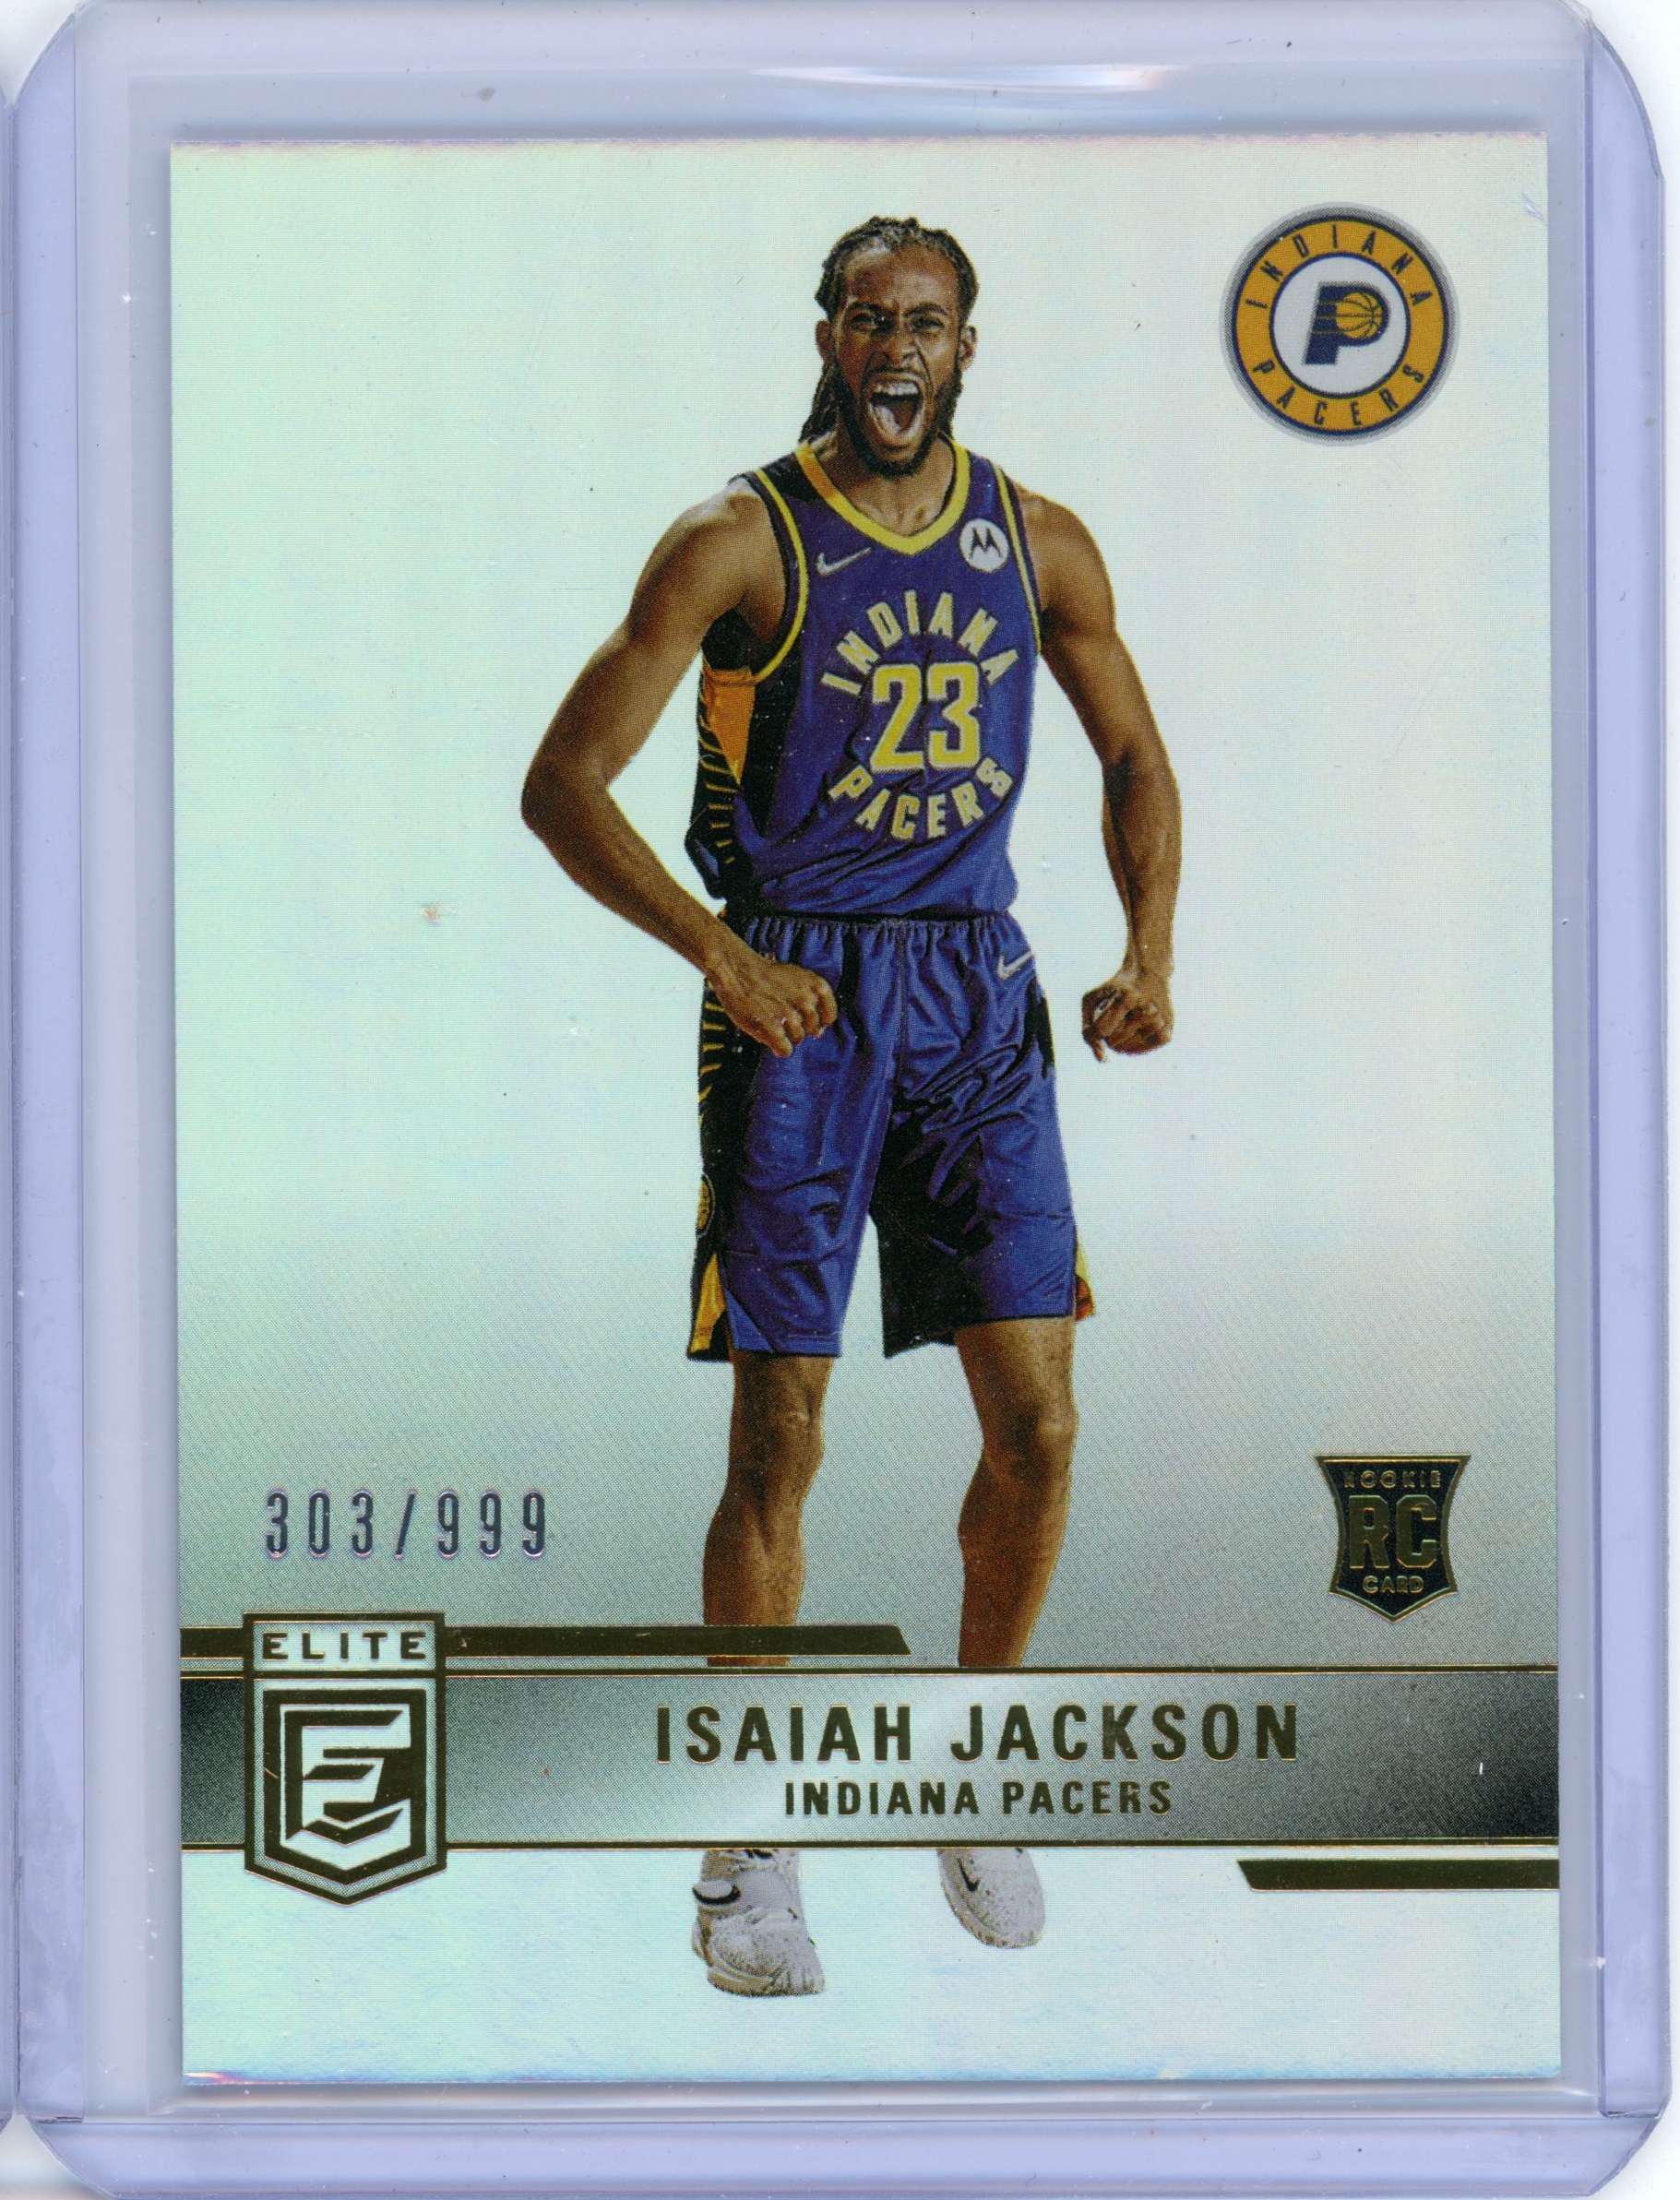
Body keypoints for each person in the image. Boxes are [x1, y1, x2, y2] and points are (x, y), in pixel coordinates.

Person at [522, 215, 1180, 1996]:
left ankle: (972, 1769)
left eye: (929, 321)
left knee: (1040, 1427)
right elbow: (562, 780)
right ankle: (744, 1848)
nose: (898, 346)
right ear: (826, 335)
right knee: (777, 1437)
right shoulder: (737, 536)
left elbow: (1131, 749)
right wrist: (720, 957)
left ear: (967, 347)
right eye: (870, 317)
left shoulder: (1036, 536)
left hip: (976, 999)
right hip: (799, 1003)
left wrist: (1147, 949)